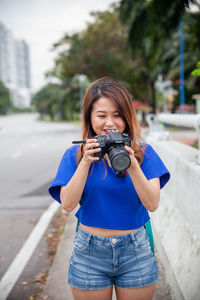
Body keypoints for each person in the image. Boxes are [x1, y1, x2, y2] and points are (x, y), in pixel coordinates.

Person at [49, 78, 170, 300]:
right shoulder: (74, 156)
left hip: (135, 250)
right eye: (102, 115)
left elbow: (152, 204)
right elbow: (67, 204)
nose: (110, 123)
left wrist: (133, 165)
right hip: (89, 252)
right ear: (89, 117)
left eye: (117, 115)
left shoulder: (144, 153)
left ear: (127, 117)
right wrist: (85, 162)